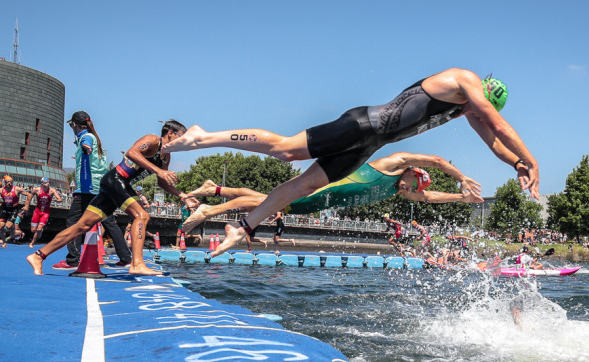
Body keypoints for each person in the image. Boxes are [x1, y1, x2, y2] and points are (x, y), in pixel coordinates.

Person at [163, 68, 538, 256]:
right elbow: (498, 124)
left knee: (306, 185)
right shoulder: (464, 80)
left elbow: (494, 139)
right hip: (361, 125)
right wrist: (530, 158)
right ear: (483, 92)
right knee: (286, 149)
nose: (470, 113)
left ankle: (242, 227)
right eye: (476, 106)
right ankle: (203, 136)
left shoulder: (464, 108)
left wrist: (515, 164)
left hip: (367, 146)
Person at [179, 152, 483, 241]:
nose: (414, 189)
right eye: (414, 182)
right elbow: (439, 161)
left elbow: (429, 199)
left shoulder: (400, 189)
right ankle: (207, 210)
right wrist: (462, 179)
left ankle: (213, 189)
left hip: (322, 202)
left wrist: (461, 198)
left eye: (416, 187)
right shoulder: (395, 164)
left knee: (264, 196)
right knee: (268, 201)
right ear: (411, 172)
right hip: (323, 187)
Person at [26, 119, 189, 276]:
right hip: (115, 180)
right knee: (142, 215)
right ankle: (137, 264)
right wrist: (159, 171)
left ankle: (38, 255)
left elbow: (162, 183)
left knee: (81, 226)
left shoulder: (165, 157)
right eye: (181, 137)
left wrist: (183, 195)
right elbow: (132, 152)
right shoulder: (153, 140)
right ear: (170, 133)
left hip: (118, 186)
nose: (183, 142)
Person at [53, 111, 131, 269]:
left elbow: (86, 141)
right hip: (100, 187)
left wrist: (85, 146)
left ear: (75, 125)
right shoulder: (97, 139)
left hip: (87, 189)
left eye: (71, 125)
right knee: (109, 222)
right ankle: (125, 257)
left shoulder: (87, 137)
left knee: (73, 221)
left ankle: (72, 260)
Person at [0, 175, 32, 247]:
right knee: (0, 227)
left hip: (13, 209)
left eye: (11, 182)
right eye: (7, 182)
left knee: (8, 226)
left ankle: (12, 227)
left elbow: (29, 195)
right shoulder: (0, 190)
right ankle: (4, 242)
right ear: (4, 182)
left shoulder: (17, 189)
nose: (9, 183)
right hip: (5, 208)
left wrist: (27, 205)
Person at [26, 178, 63, 248]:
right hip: (37, 211)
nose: (48, 184)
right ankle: (40, 231)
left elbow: (60, 199)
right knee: (33, 230)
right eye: (46, 182)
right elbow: (29, 197)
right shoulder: (36, 190)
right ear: (42, 184)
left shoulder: (51, 190)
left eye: (49, 182)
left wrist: (58, 200)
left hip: (45, 213)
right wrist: (26, 206)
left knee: (39, 229)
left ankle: (32, 243)